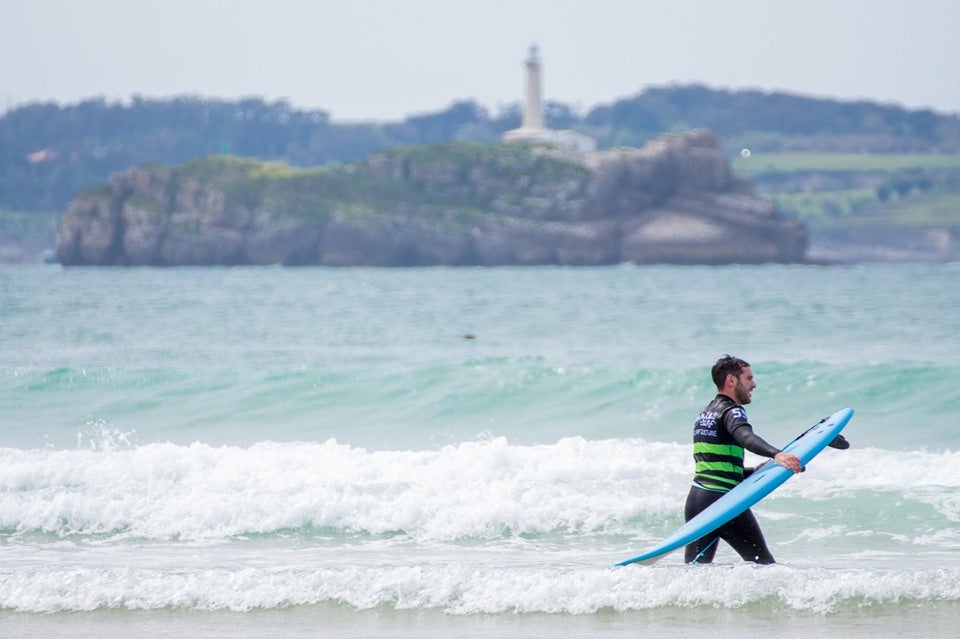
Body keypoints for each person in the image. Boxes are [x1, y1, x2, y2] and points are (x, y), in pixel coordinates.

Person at [683, 355, 803, 564]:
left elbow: (712, 465)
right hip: (722, 502)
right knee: (763, 564)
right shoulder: (732, 411)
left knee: (695, 571)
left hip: (697, 500)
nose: (753, 384)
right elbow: (745, 437)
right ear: (732, 380)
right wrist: (777, 454)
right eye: (748, 378)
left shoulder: (705, 413)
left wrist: (751, 471)